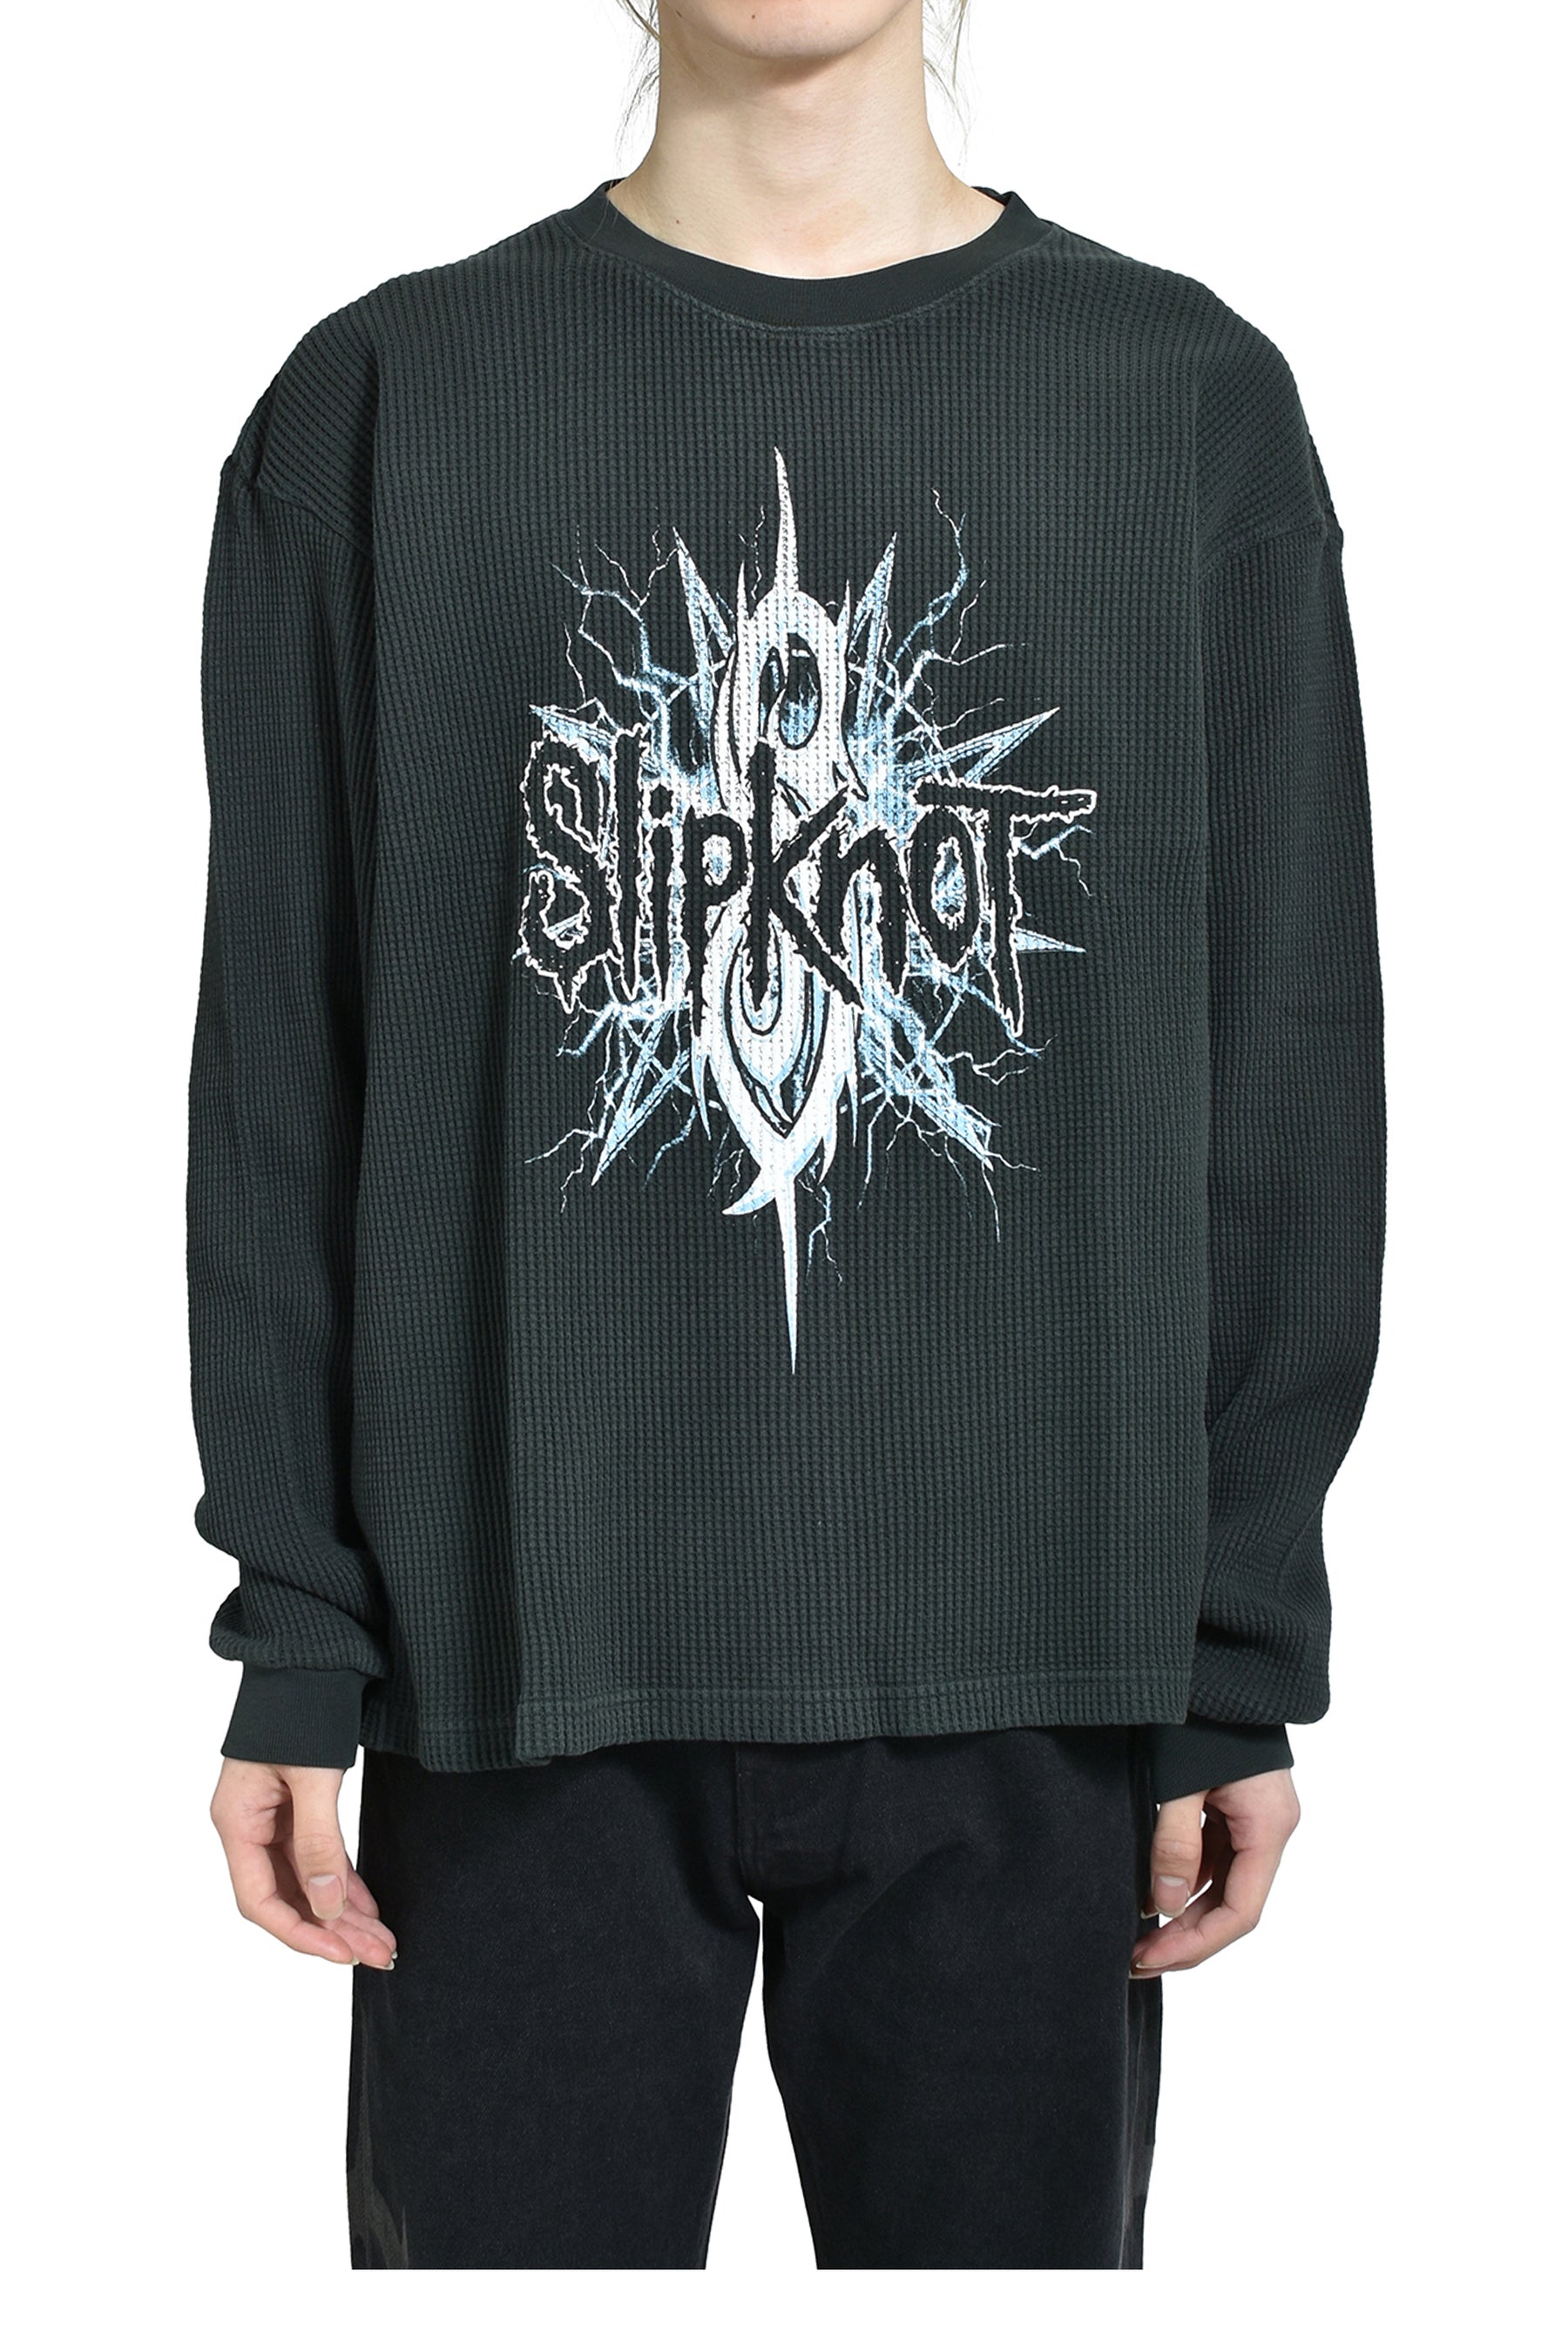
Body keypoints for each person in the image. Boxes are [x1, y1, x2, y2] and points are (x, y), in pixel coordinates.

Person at [193, 0, 1384, 2272]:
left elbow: (1291, 1059)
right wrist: (301, 1627)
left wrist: (1235, 1646)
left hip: (1038, 1669)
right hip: (512, 1665)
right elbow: (280, 1069)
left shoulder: (1186, 408)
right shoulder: (383, 405)